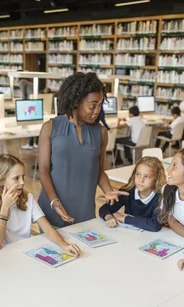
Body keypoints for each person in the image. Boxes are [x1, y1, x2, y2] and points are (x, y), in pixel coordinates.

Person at [37, 72, 126, 228]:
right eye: (92, 106)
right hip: (52, 211)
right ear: (76, 101)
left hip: (84, 212)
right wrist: (54, 202)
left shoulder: (101, 132)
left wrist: (108, 191)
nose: (97, 110)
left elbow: (98, 171)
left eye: (100, 105)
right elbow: (43, 171)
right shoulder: (50, 128)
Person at [0, 154, 81, 255]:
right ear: (1, 181)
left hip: (21, 254)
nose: (22, 182)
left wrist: (64, 245)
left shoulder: (28, 198)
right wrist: (5, 208)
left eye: (23, 176)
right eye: (16, 178)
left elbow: (48, 229)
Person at [99, 156, 166, 232]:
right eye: (138, 174)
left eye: (147, 177)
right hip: (130, 235)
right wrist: (108, 217)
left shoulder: (160, 198)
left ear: (156, 179)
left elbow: (155, 225)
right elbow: (104, 209)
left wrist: (124, 218)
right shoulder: (127, 191)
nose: (141, 180)